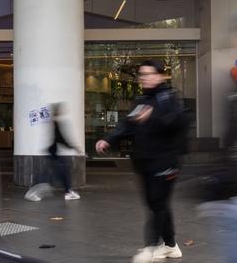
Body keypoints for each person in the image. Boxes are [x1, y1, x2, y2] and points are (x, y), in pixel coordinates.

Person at [96, 60, 188, 263]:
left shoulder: (169, 98)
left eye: (150, 73)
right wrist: (107, 139)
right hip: (145, 162)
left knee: (158, 203)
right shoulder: (141, 100)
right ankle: (171, 246)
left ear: (160, 76)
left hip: (166, 161)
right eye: (142, 74)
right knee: (157, 204)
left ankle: (150, 247)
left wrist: (153, 117)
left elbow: (179, 124)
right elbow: (127, 125)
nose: (145, 77)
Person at [48, 103, 82, 200]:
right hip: (53, 152)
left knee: (60, 172)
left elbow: (59, 139)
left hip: (53, 152)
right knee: (63, 172)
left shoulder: (53, 121)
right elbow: (60, 138)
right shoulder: (55, 122)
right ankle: (68, 192)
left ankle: (68, 191)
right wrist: (74, 147)